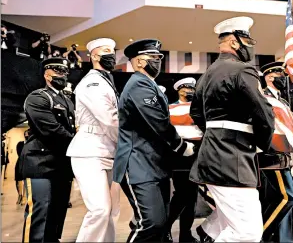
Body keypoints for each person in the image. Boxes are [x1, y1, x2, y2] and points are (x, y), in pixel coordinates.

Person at [189, 17, 275, 242]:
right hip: (232, 157)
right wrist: (263, 145)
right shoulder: (243, 70)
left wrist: (216, 133)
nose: (250, 47)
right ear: (235, 43)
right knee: (247, 232)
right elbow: (264, 113)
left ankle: (207, 234)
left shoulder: (207, 73)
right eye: (248, 41)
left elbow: (196, 113)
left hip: (213, 153)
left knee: (225, 224)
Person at [113, 39, 195, 242]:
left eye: (160, 57)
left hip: (155, 164)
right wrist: (181, 145)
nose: (159, 61)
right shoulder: (139, 85)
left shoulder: (149, 85)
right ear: (139, 62)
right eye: (154, 58)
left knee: (160, 224)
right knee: (151, 222)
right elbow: (157, 121)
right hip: (138, 163)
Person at [67, 38, 119, 242]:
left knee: (111, 211)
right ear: (94, 56)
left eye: (113, 51)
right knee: (99, 210)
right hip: (90, 150)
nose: (111, 55)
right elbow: (110, 119)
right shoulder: (92, 82)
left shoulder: (106, 79)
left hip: (106, 150)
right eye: (106, 51)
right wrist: (124, 143)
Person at [18, 57, 76, 242]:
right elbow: (52, 130)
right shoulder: (38, 97)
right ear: (46, 74)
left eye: (64, 72)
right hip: (39, 163)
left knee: (57, 213)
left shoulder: (66, 100)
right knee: (40, 211)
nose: (61, 75)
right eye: (57, 71)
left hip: (61, 164)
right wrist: (79, 140)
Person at [258, 61, 293, 242]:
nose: (284, 79)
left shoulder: (282, 100)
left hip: (284, 154)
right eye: (280, 75)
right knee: (286, 198)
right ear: (269, 77)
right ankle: (260, 236)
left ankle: (283, 239)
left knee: (282, 199)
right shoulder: (264, 97)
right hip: (272, 153)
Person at [167, 77, 202, 242]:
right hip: (179, 155)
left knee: (192, 196)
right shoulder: (169, 108)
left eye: (192, 88)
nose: (189, 90)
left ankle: (185, 234)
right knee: (182, 194)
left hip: (197, 153)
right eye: (186, 88)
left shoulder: (200, 108)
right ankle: (165, 228)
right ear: (178, 89)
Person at [15, 130, 29, 205]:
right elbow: (19, 153)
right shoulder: (20, 144)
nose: (26, 135)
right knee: (18, 180)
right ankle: (19, 195)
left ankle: (24, 197)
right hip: (20, 162)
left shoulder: (30, 144)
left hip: (27, 163)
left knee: (26, 180)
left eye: (28, 134)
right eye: (25, 134)